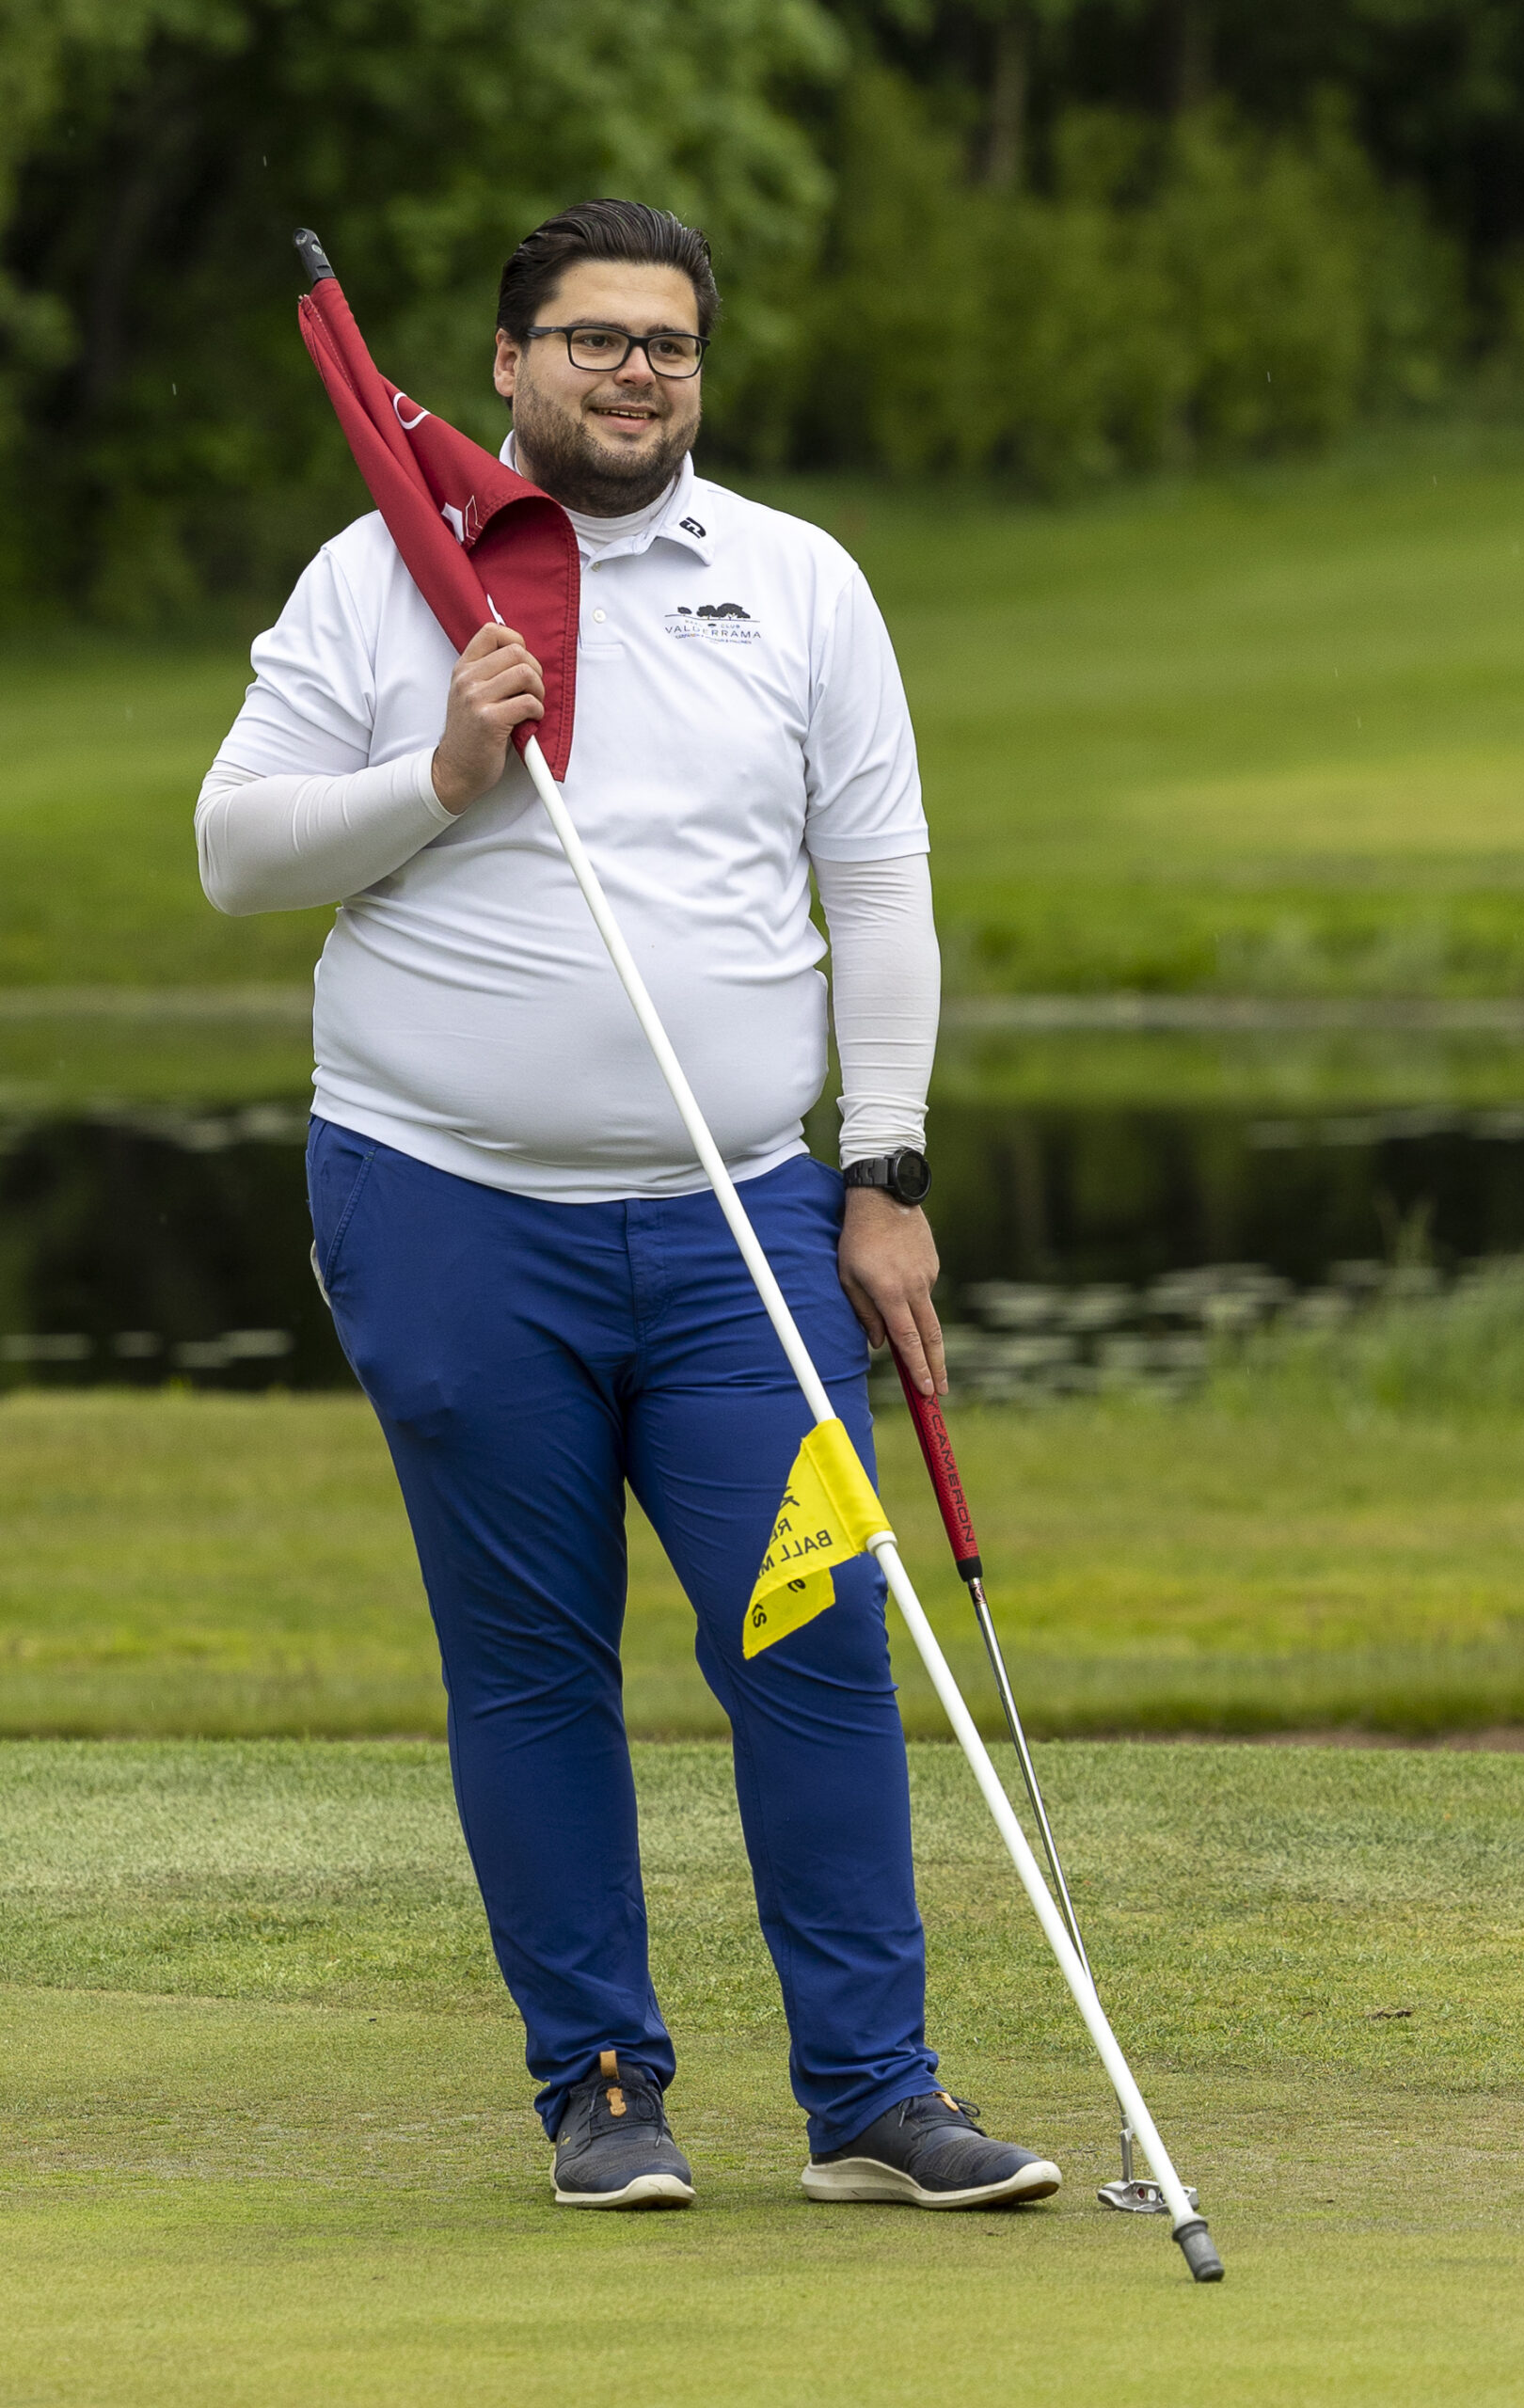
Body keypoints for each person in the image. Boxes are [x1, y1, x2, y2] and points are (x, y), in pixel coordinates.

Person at [196, 198, 1060, 2214]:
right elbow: (237, 853)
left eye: (666, 342)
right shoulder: (382, 575)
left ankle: (873, 2095)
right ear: (507, 362)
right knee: (532, 1659)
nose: (633, 373)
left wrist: (885, 1171)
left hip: (738, 1218)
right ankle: (599, 2086)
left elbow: (880, 881)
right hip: (444, 1205)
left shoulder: (796, 576)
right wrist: (437, 772)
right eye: (591, 338)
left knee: (814, 1629)